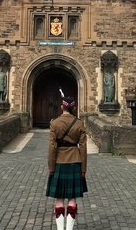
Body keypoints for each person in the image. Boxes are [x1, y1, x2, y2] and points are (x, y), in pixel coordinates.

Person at [46, 96, 88, 230]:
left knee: (59, 198)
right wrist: (83, 169)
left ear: (62, 107)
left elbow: (52, 148)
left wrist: (51, 167)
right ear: (74, 108)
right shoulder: (79, 123)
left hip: (59, 162)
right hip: (75, 162)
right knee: (72, 199)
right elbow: (83, 147)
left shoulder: (54, 123)